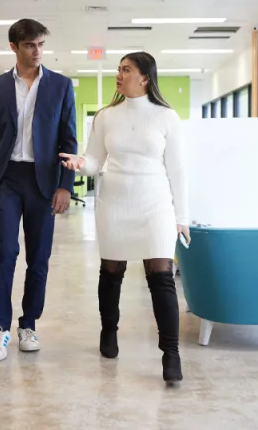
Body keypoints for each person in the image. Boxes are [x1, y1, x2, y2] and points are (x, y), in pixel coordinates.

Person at [60, 52, 189, 384]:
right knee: (111, 271)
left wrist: (182, 216)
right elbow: (94, 160)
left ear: (145, 77)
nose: (119, 74)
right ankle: (108, 332)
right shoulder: (105, 116)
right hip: (115, 202)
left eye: (126, 69)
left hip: (155, 204)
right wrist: (79, 163)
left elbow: (178, 171)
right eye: (118, 69)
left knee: (161, 277)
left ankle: (171, 353)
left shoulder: (166, 116)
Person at [0, 18, 77, 361]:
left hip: (43, 181)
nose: (37, 52)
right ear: (14, 47)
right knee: (4, 252)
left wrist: (65, 186)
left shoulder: (61, 86)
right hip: (6, 179)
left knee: (39, 257)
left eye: (41, 45)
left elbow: (68, 140)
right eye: (30, 45)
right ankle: (0, 329)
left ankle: (28, 324)